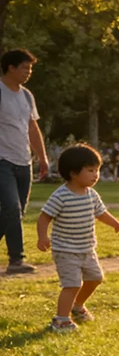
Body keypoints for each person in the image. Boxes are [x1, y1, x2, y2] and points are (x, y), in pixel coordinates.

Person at [36, 144, 119, 333]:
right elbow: (44, 217)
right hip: (66, 250)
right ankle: (61, 320)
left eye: (97, 170)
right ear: (73, 173)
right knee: (72, 284)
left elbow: (101, 213)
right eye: (90, 170)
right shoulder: (61, 195)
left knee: (95, 278)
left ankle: (77, 306)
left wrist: (115, 223)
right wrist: (42, 236)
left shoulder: (92, 195)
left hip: (87, 249)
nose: (96, 175)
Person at [0, 48, 49, 274]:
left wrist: (42, 157)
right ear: (11, 67)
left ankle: (15, 259)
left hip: (23, 161)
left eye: (30, 68)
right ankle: (16, 260)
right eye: (25, 67)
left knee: (15, 212)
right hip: (2, 160)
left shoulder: (27, 95)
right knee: (11, 207)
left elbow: (32, 127)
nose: (28, 72)